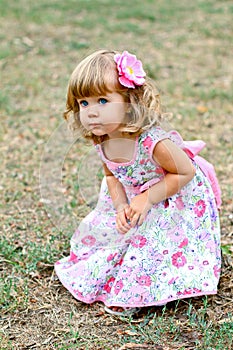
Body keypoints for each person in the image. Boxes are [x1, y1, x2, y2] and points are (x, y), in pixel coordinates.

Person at [55, 49, 221, 316]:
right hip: (135, 197)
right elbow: (111, 175)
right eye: (83, 104)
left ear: (130, 102)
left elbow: (185, 172)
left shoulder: (152, 142)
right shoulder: (104, 138)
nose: (92, 113)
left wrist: (148, 198)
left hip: (171, 196)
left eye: (102, 101)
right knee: (109, 239)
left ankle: (137, 290)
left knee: (149, 244)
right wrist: (121, 205)